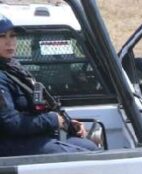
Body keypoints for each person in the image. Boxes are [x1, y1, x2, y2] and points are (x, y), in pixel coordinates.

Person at [0, 14, 97, 156]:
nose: (10, 42)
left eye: (12, 35)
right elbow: (10, 123)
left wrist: (67, 123)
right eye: (2, 36)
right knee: (84, 155)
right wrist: (52, 120)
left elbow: (39, 103)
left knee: (90, 147)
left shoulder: (13, 67)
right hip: (11, 144)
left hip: (31, 137)